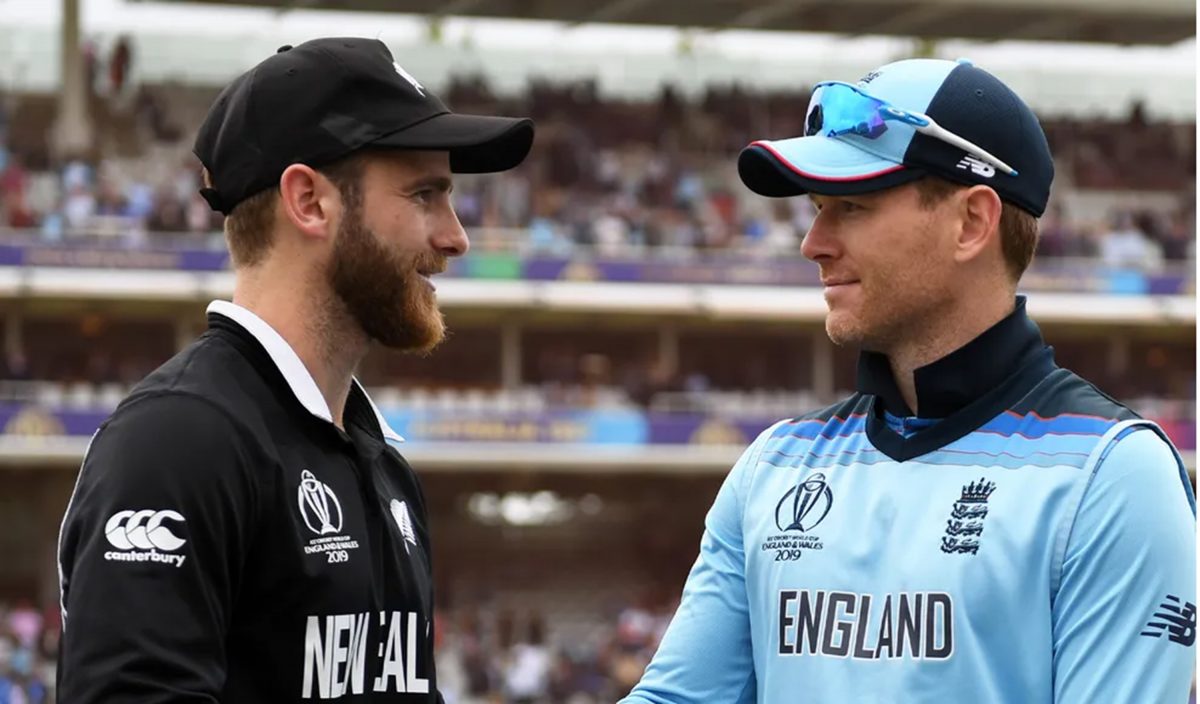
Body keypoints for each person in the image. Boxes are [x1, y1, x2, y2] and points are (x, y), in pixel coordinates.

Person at [620, 58, 1195, 703]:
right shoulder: (772, 465)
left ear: (972, 222)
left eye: (852, 207)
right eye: (816, 208)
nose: (813, 242)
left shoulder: (1111, 475)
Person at [56, 37, 534, 702]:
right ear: (309, 201)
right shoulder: (177, 441)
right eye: (426, 194)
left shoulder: (382, 462)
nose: (456, 236)